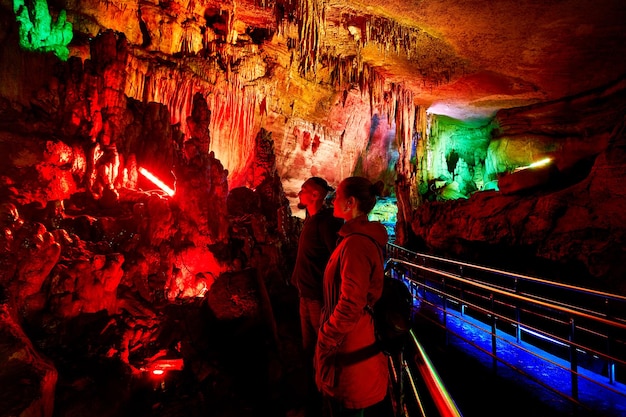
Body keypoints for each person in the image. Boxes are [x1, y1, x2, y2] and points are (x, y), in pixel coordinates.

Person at [314, 176, 389, 417]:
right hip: (354, 342)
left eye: (337, 197)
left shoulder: (356, 245)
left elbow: (350, 303)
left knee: (347, 410)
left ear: (350, 203)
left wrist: (326, 336)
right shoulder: (355, 239)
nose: (332, 201)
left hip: (349, 348)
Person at [291, 176, 344, 417]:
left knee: (322, 352)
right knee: (309, 350)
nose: (299, 194)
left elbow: (336, 259)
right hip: (306, 296)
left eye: (303, 190)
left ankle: (327, 405)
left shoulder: (325, 223)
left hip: (317, 299)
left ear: (315, 195)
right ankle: (313, 402)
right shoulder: (311, 221)